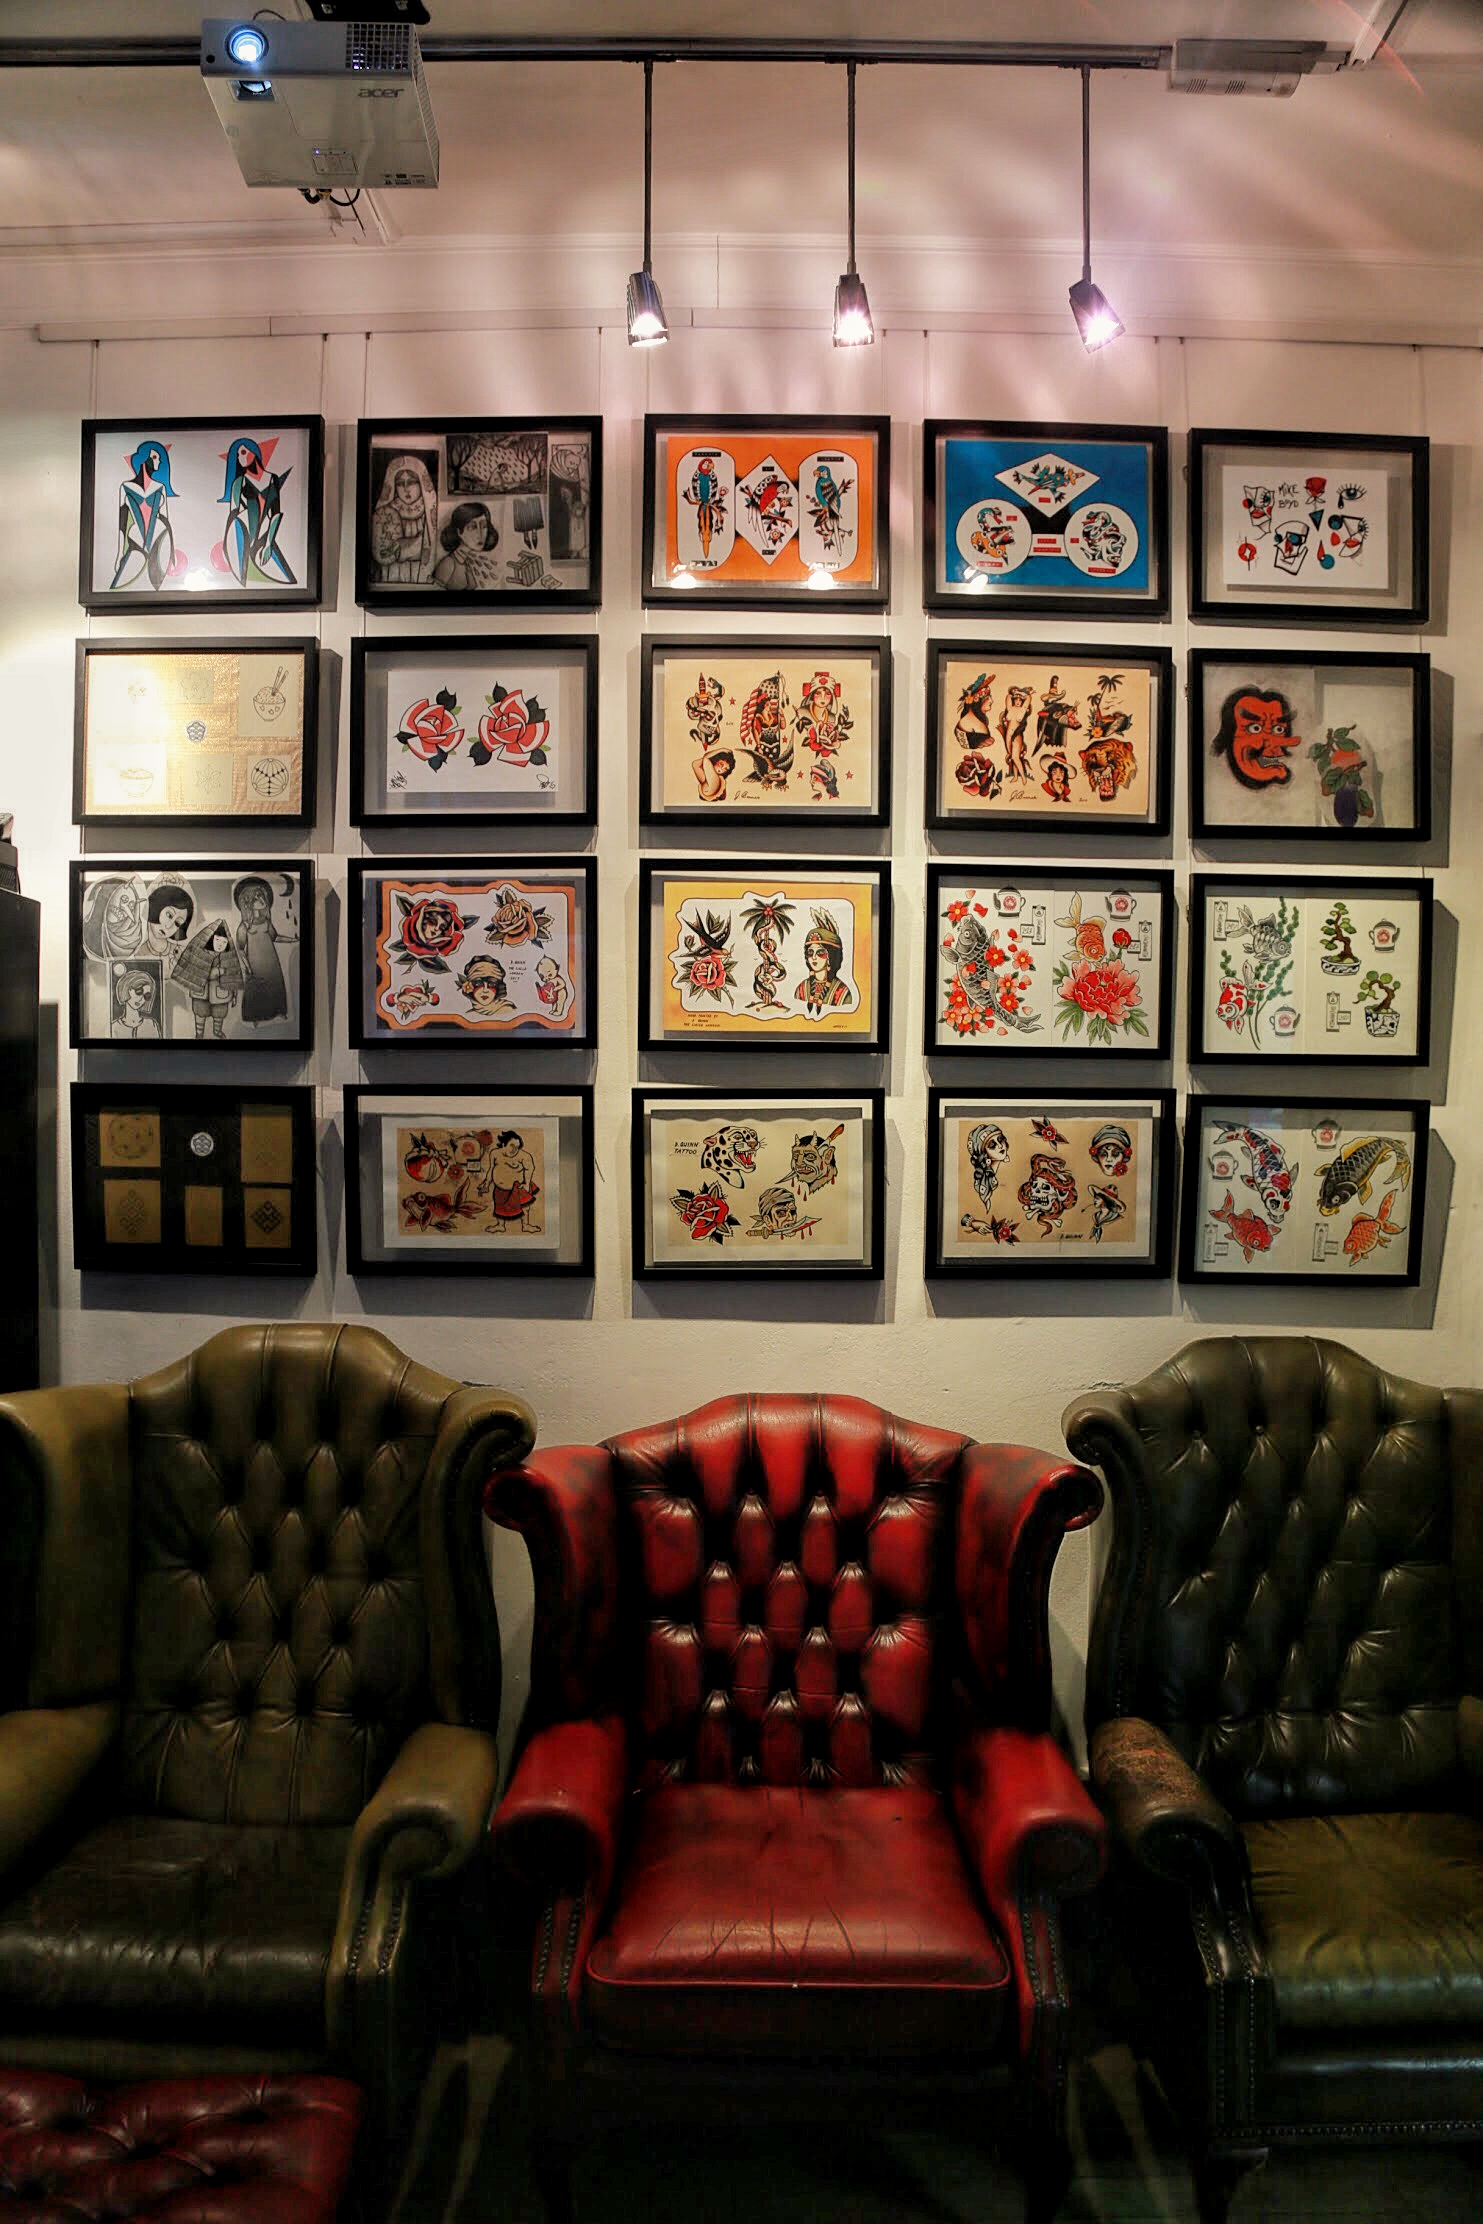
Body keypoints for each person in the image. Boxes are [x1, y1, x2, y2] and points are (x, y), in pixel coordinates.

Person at [220, 436, 295, 586]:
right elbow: (233, 514)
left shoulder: (272, 479)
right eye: (238, 455)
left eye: (243, 452)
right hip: (243, 533)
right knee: (243, 577)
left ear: (254, 453)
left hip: (264, 534)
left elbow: (275, 514)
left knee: (286, 577)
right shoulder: (239, 483)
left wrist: (268, 544)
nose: (240, 458)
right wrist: (227, 544)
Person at [110, 439, 177, 591]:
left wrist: (171, 551)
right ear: (143, 460)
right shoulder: (125, 487)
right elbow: (122, 525)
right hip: (134, 543)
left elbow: (166, 524)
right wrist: (120, 553)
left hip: (156, 546)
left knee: (156, 588)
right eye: (155, 457)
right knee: (123, 586)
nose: (159, 460)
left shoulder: (160, 488)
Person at [172, 920, 245, 1040]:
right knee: (200, 1012)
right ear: (211, 939)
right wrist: (212, 972)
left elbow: (233, 976)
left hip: (221, 992)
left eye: (224, 941)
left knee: (219, 1013)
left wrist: (234, 995)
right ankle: (199, 1034)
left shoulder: (227, 957)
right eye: (217, 940)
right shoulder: (200, 953)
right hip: (201, 992)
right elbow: (191, 968)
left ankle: (217, 1031)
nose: (220, 944)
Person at [233, 874, 289, 1025]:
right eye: (256, 897)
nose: (261, 900)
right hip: (254, 963)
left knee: (275, 984)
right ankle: (255, 1017)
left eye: (261, 896)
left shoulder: (266, 922)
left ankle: (279, 1011)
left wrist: (293, 939)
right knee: (255, 989)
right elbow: (240, 948)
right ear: (247, 902)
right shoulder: (244, 927)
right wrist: (247, 965)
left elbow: (275, 937)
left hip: (271, 961)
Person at [370, 455, 436, 583]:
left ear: (421, 483)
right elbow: (382, 551)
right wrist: (413, 545)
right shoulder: (386, 513)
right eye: (400, 483)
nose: (406, 488)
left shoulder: (428, 512)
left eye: (411, 482)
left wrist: (400, 547)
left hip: (420, 573)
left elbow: (431, 549)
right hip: (392, 572)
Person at [793, 908, 855, 1016]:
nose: (814, 957)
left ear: (831, 956)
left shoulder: (842, 993)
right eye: (810, 952)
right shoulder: (802, 989)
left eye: (820, 952)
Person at [432, 502, 501, 591]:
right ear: (459, 532)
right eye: (472, 527)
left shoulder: (469, 562)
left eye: (484, 526)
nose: (480, 534)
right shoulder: (449, 564)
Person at [488, 1130, 540, 1232]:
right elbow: (491, 1169)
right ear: (504, 1144)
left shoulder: (524, 1156)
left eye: (517, 1147)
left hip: (518, 1186)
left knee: (525, 1206)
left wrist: (527, 1183)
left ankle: (526, 1225)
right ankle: (500, 1226)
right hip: (500, 1189)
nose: (514, 1150)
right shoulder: (494, 1153)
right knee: (499, 1206)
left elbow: (530, 1168)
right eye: (512, 1146)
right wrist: (486, 1182)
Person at [455, 952, 515, 1020]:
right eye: (478, 984)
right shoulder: (469, 1015)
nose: (485, 990)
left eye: (492, 984)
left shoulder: (508, 1010)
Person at [112, 965, 159, 1040]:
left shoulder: (151, 1024)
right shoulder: (114, 1027)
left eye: (146, 996)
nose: (141, 999)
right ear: (127, 989)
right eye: (139, 991)